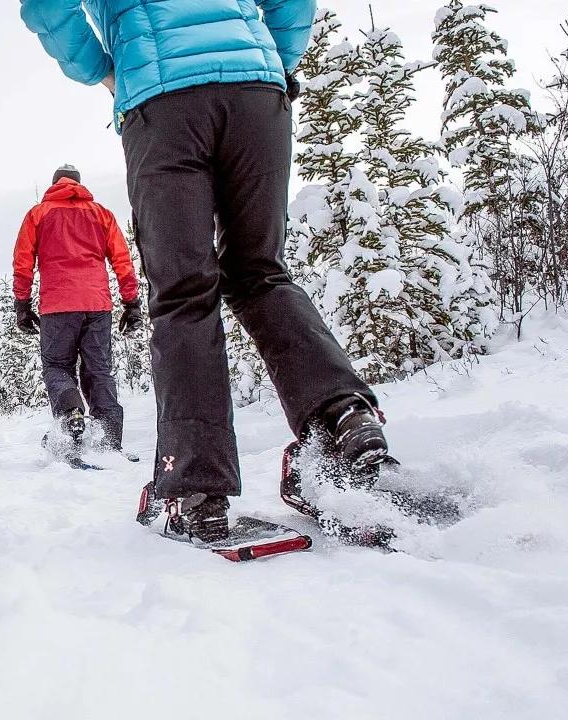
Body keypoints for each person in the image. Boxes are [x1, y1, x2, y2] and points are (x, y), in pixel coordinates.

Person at [20, 1, 388, 542]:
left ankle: (195, 488)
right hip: (258, 96)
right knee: (258, 270)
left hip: (163, 103)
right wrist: (274, 61)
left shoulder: (41, 212)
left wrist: (103, 70)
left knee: (184, 290)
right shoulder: (89, 211)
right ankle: (342, 417)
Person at [13, 164, 143, 459]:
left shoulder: (38, 214)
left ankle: (71, 415)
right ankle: (109, 438)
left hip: (58, 307)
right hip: (97, 305)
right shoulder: (101, 214)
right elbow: (122, 260)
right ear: (79, 184)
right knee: (99, 370)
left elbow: (23, 262)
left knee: (57, 366)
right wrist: (131, 302)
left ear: (54, 183)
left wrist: (22, 304)